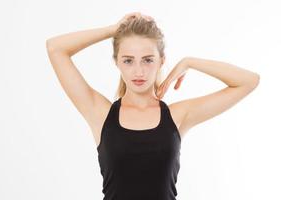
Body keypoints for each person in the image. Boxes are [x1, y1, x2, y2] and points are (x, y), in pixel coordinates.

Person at [46, 12, 260, 200]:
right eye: (128, 60)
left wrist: (190, 62)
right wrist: (114, 30)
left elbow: (248, 81)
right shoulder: (100, 114)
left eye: (148, 60)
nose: (138, 72)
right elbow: (55, 48)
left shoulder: (177, 116)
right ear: (116, 62)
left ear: (161, 60)